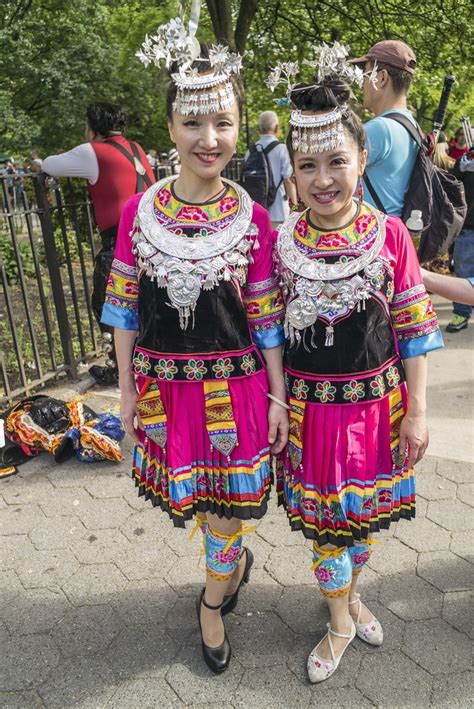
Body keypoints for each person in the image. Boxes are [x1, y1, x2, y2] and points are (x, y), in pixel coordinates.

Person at [102, 20, 288, 675]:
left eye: (225, 123)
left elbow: (265, 317)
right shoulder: (140, 213)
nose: (210, 140)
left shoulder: (254, 217)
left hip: (235, 390)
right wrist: (124, 389)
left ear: (241, 127)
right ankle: (227, 566)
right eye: (194, 123)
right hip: (165, 391)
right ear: (171, 126)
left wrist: (279, 397)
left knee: (228, 503)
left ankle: (212, 600)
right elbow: (124, 307)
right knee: (206, 503)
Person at [269, 43, 443, 684]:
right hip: (311, 416)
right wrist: (278, 401)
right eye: (307, 164)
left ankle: (349, 597)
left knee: (362, 522)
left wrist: (417, 413)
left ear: (362, 159)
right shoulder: (279, 241)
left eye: (337, 161)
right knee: (325, 528)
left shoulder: (389, 235)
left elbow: (416, 328)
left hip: (378, 410)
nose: (323, 178)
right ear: (292, 171)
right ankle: (339, 620)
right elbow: (268, 335)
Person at [42, 103, 155, 386]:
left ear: (92, 128)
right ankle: (141, 361)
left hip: (120, 241)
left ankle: (123, 368)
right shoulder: (137, 149)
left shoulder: (93, 151)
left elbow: (49, 164)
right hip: (151, 238)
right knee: (142, 301)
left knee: (107, 303)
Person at [349, 40, 418, 216]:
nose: (361, 84)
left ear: (382, 78)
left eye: (365, 75)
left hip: (369, 235)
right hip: (393, 233)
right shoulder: (412, 126)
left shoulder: (380, 129)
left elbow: (330, 174)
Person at [445, 146, 474, 331]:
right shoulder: (466, 160)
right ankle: (461, 314)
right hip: (468, 227)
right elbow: (452, 188)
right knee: (464, 272)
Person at [252, 111, 297, 227]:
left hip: (257, 211)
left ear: (259, 129)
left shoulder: (251, 150)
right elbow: (288, 180)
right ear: (276, 128)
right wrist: (295, 206)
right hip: (278, 210)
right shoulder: (282, 149)